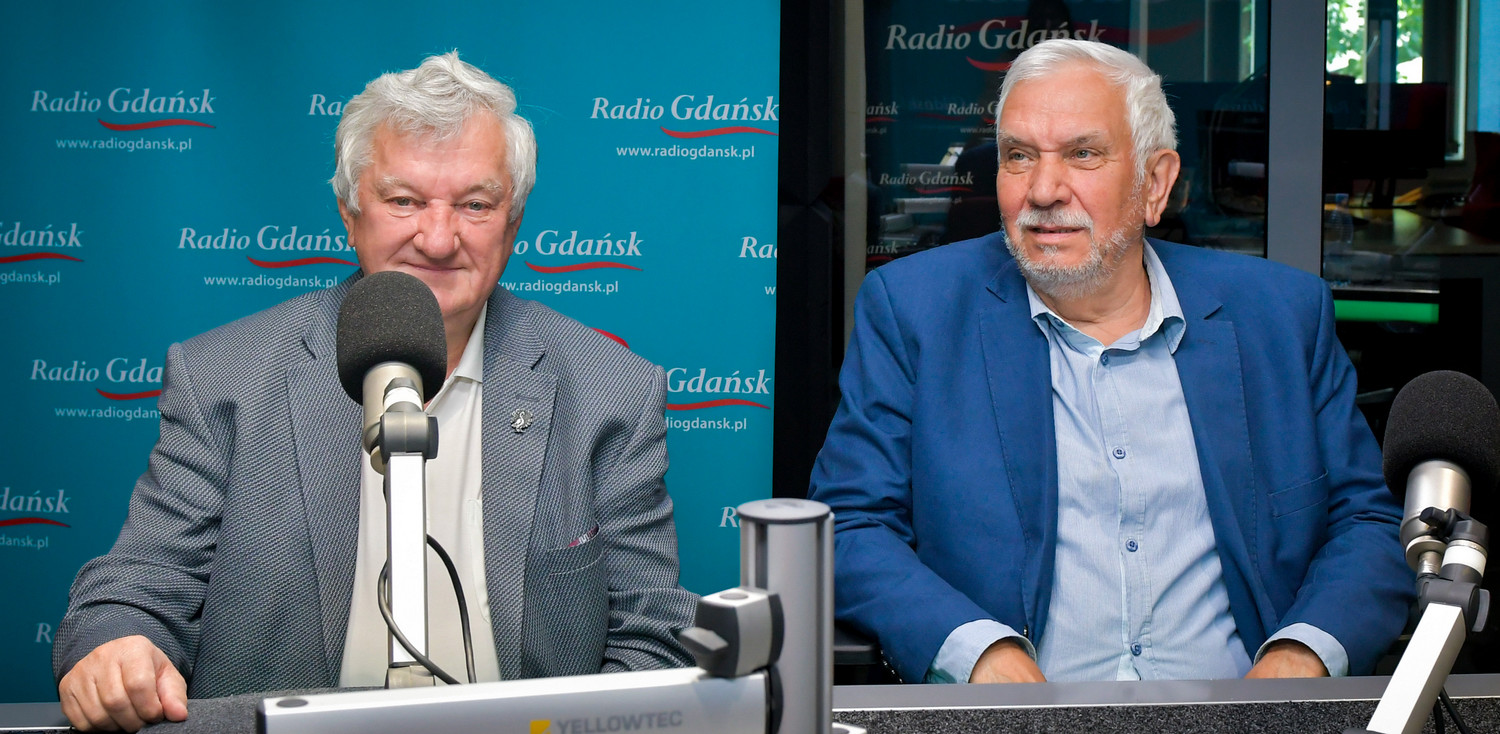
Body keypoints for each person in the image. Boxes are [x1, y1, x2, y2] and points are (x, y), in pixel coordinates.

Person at [53, 51, 696, 731]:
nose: (439, 239)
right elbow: (135, 591)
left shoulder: (610, 393)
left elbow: (652, 638)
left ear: (513, 224)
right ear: (350, 212)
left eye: (475, 205)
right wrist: (116, 646)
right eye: (404, 202)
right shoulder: (223, 378)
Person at [808, 39, 1413, 686]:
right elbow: (851, 526)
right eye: (1019, 156)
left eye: (1083, 154)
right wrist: (977, 652)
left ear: (1156, 183)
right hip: (1016, 721)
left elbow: (1367, 523)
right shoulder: (915, 311)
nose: (1043, 190)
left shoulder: (1279, 317)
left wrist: (1303, 653)